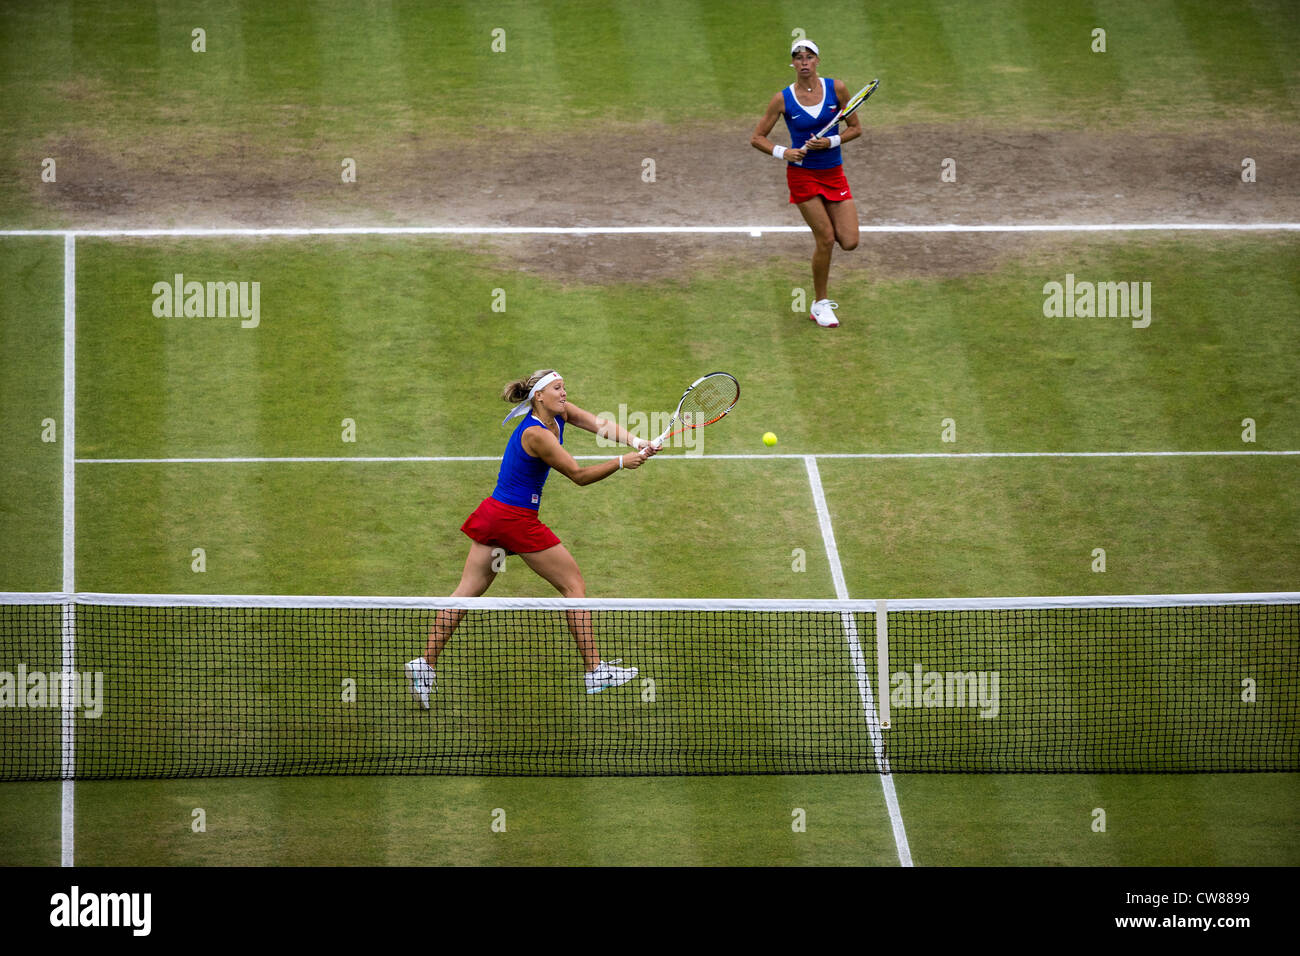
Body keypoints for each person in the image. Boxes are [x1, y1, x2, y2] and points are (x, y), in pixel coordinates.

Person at [405, 369, 656, 706]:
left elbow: (599, 424)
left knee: (465, 593)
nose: (564, 393)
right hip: (515, 521)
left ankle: (424, 664)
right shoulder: (537, 434)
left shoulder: (559, 414)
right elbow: (579, 476)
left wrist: (636, 442)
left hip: (495, 515)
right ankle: (595, 670)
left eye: (564, 387)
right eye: (557, 388)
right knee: (573, 586)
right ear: (539, 396)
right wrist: (622, 463)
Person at [750, 38, 862, 328]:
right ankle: (820, 303)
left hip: (833, 172)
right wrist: (784, 152)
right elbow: (757, 137)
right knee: (825, 238)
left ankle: (821, 289)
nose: (803, 62)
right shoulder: (782, 99)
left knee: (849, 241)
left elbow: (855, 128)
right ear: (793, 63)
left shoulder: (837, 89)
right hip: (802, 175)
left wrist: (830, 141)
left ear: (817, 61)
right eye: (798, 57)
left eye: (808, 57)